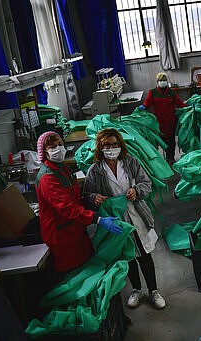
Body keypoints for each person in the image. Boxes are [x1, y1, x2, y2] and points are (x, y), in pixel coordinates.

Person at [83, 129, 166, 310]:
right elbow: (87, 195)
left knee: (144, 253)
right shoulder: (95, 171)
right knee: (127, 255)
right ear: (100, 148)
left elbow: (146, 183)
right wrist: (94, 198)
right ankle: (136, 290)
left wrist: (136, 191)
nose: (111, 148)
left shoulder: (130, 163)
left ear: (120, 145)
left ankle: (154, 290)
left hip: (136, 214)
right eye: (106, 145)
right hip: (115, 220)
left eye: (114, 144)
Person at [35, 131, 122, 274]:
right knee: (74, 275)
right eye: (52, 147)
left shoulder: (63, 169)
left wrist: (93, 198)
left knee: (86, 266)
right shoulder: (47, 178)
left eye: (59, 145)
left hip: (76, 229)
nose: (58, 149)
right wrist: (97, 219)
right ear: (44, 151)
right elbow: (67, 208)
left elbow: (76, 197)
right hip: (62, 235)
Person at [142, 72, 187, 164]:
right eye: (161, 80)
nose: (163, 82)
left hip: (171, 120)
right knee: (162, 140)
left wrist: (188, 106)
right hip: (159, 121)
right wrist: (142, 107)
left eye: (164, 80)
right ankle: (167, 155)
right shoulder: (153, 92)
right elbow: (147, 102)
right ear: (157, 82)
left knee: (171, 139)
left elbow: (179, 103)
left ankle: (171, 157)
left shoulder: (171, 92)